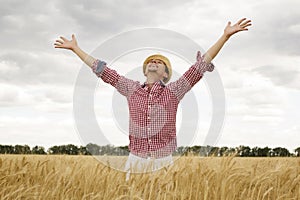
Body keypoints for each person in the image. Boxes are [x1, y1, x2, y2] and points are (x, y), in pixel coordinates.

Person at [54, 18, 251, 180]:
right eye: (150, 62)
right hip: (135, 158)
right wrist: (75, 49)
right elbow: (103, 71)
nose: (153, 63)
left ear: (166, 74)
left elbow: (199, 67)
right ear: (145, 69)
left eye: (159, 62)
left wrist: (224, 37)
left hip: (163, 160)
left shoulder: (174, 91)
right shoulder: (131, 89)